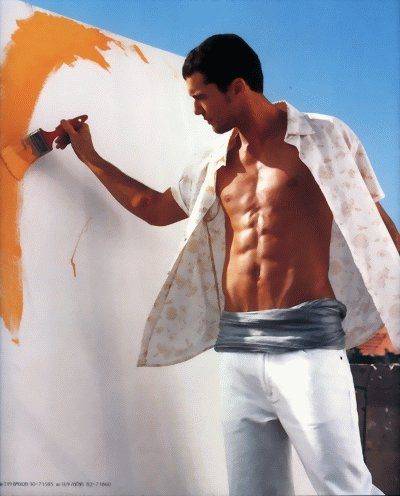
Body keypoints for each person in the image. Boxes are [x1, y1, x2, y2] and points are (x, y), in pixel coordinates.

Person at [59, 34, 399, 496]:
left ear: (237, 87)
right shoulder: (213, 167)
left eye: (201, 96)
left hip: (308, 346)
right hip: (238, 349)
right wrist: (90, 157)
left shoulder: (323, 138)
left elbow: (374, 221)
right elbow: (153, 208)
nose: (196, 110)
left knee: (344, 488)